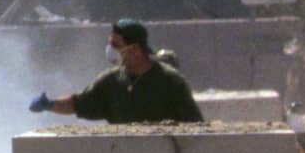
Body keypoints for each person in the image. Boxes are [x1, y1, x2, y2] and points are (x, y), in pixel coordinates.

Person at [31, 18, 205, 125]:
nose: (110, 49)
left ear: (136, 49)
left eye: (116, 45)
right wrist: (49, 104)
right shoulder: (111, 81)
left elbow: (195, 127)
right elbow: (80, 104)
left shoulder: (171, 81)